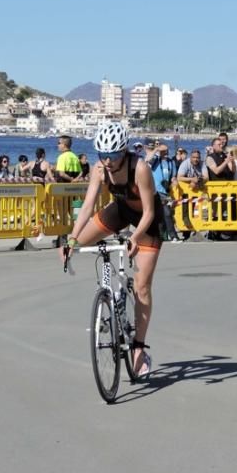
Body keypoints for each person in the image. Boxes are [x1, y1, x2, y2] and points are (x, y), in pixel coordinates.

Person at [62, 122, 162, 380]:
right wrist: (71, 240)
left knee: (141, 287)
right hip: (121, 210)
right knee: (81, 241)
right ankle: (109, 295)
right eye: (102, 155)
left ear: (124, 152)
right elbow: (86, 207)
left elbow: (149, 212)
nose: (107, 160)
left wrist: (135, 237)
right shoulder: (99, 169)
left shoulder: (139, 168)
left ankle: (139, 347)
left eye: (113, 155)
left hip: (147, 221)